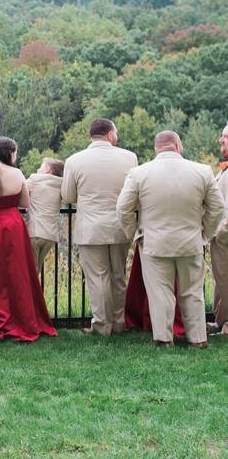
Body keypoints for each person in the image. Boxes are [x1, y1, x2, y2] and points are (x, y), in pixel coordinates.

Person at [117, 131, 226, 347]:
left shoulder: (139, 173)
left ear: (157, 148)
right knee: (192, 292)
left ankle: (164, 338)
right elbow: (218, 208)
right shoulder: (202, 171)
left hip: (154, 243)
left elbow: (123, 209)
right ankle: (197, 338)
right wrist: (205, 232)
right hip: (190, 240)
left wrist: (135, 233)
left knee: (160, 293)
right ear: (178, 145)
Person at [0, 137, 56, 342]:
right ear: (10, 153)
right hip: (12, 225)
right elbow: (25, 202)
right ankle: (19, 317)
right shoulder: (17, 174)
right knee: (15, 273)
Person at [61, 118, 138, 336]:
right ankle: (119, 322)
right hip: (119, 225)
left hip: (91, 227)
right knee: (118, 275)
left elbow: (68, 195)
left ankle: (102, 324)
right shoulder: (129, 157)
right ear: (110, 134)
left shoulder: (74, 160)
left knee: (98, 277)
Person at [25, 158, 64, 275]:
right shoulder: (61, 184)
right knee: (36, 268)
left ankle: (31, 293)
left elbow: (20, 191)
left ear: (47, 169)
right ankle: (35, 292)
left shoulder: (35, 179)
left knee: (30, 270)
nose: (37, 169)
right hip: (50, 236)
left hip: (35, 232)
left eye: (41, 167)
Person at [209, 123, 228, 334]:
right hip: (221, 237)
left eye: (224, 136)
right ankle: (222, 320)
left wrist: (220, 233)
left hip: (224, 236)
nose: (220, 140)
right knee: (222, 279)